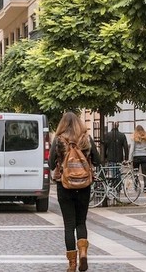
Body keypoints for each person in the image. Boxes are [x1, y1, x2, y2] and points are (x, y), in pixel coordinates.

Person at [48, 112, 101, 272]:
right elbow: (98, 161)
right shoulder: (86, 138)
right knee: (81, 222)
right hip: (84, 185)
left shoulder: (59, 140)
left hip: (64, 186)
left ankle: (72, 264)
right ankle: (83, 253)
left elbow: (50, 164)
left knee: (69, 225)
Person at [131, 125, 146, 192]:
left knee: (136, 172)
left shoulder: (134, 137)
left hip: (136, 157)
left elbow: (132, 149)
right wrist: (145, 153)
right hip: (144, 157)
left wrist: (130, 158)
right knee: (144, 172)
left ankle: (136, 186)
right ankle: (145, 187)